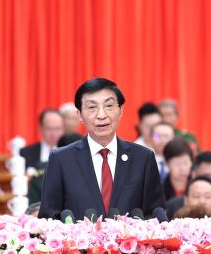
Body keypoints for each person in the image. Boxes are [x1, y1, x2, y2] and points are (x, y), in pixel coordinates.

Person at [39, 78, 165, 220]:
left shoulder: (143, 158)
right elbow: (48, 219)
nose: (101, 115)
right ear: (80, 115)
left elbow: (155, 214)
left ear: (121, 110)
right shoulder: (61, 160)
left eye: (109, 106)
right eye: (92, 107)